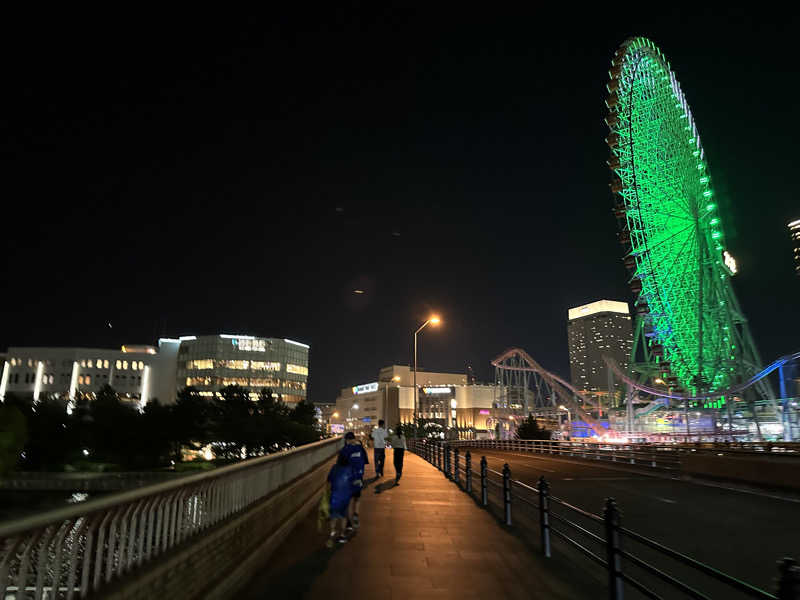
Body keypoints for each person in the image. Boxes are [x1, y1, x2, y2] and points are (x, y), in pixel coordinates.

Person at [326, 452, 355, 547]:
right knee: (343, 516)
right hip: (345, 495)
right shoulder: (350, 469)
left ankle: (332, 532)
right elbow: (352, 482)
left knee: (333, 516)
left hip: (335, 495)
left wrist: (328, 493)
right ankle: (342, 535)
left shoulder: (334, 468)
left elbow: (329, 481)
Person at [339, 431, 367, 529]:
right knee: (357, 498)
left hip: (348, 478)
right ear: (354, 439)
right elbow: (365, 461)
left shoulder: (344, 450)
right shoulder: (360, 449)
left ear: (346, 440)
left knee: (349, 501)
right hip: (358, 477)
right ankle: (356, 514)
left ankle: (348, 523)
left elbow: (340, 466)